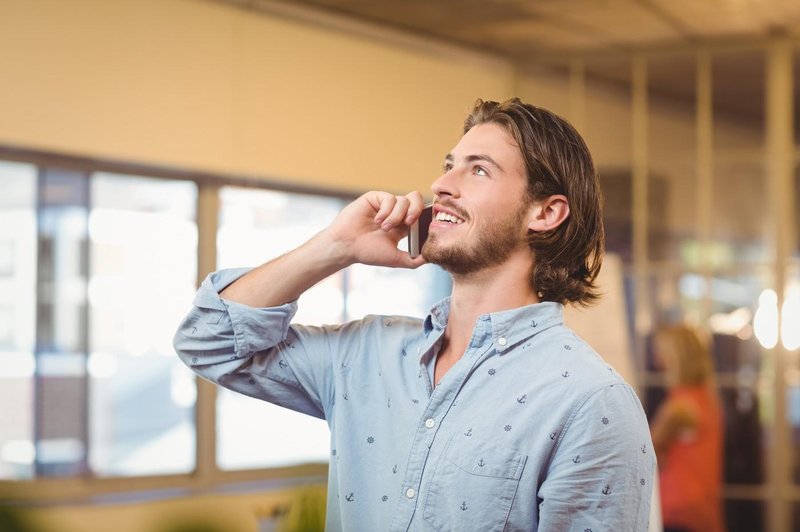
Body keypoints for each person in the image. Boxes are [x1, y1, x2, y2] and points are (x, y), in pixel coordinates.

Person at [174, 98, 655, 531]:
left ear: (546, 214)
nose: (441, 186)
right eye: (448, 166)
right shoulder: (364, 354)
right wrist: (336, 247)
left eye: (478, 170)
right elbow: (208, 341)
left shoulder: (591, 401)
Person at [650, 324, 725, 532]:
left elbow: (644, 451)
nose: (657, 361)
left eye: (661, 353)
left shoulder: (680, 408)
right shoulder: (706, 398)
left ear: (675, 357)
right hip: (700, 505)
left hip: (679, 508)